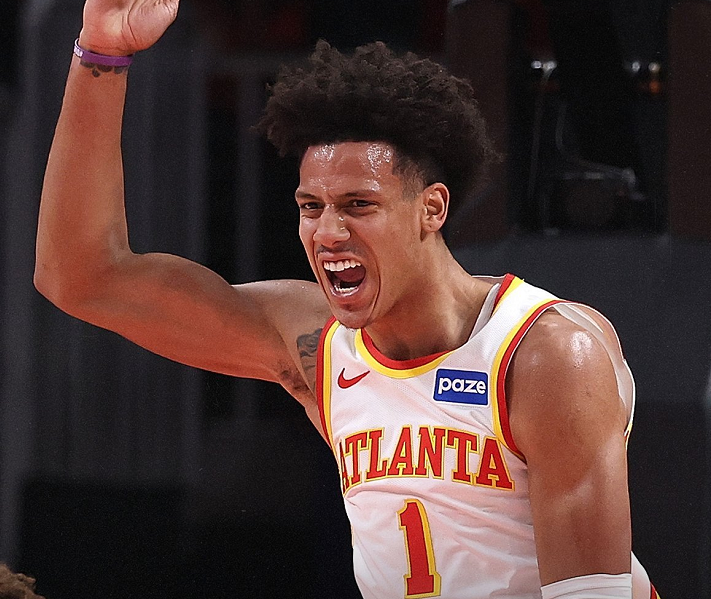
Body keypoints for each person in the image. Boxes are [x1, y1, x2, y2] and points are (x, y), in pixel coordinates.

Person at [35, 1, 660, 597]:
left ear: (432, 208)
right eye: (311, 206)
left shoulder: (548, 355)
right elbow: (82, 277)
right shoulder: (315, 346)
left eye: (359, 204)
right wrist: (102, 51)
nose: (328, 232)